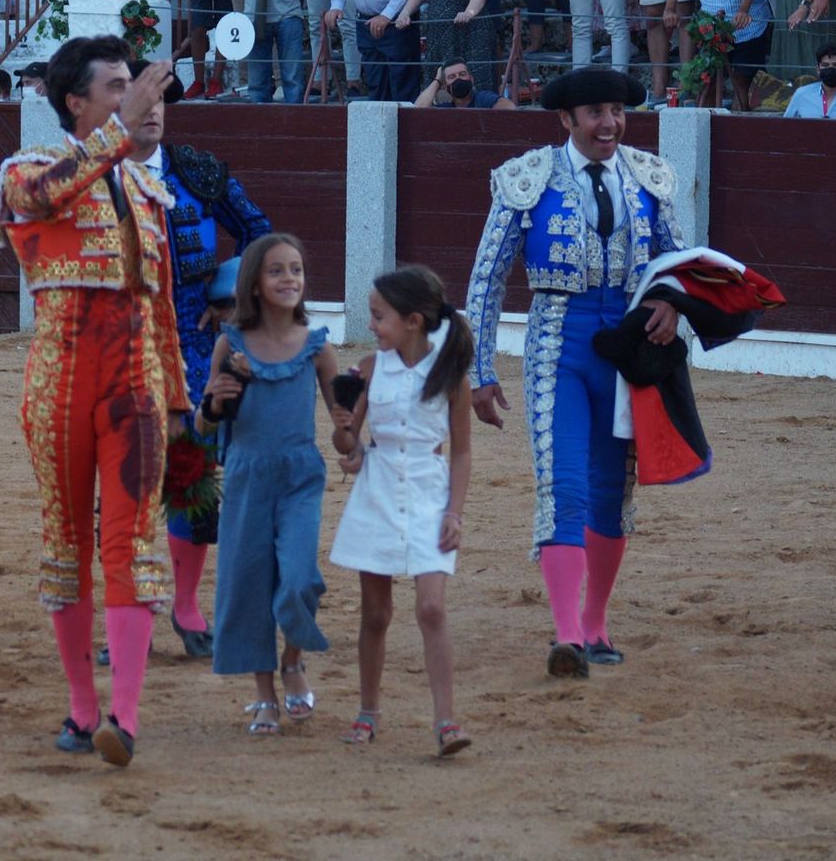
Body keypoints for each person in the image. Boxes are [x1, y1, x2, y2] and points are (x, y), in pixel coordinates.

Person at [0, 40, 187, 767]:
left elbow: (161, 308)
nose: (134, 98)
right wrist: (119, 134)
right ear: (75, 101)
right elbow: (43, 199)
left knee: (131, 544)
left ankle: (122, 719)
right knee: (67, 541)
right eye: (115, 88)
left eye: (135, 86)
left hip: (135, 386)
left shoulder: (148, 193)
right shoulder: (26, 169)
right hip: (61, 384)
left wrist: (178, 403)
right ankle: (80, 709)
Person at [465, 67, 685, 679]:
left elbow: (677, 264)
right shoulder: (527, 179)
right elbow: (486, 280)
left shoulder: (649, 176)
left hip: (626, 352)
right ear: (567, 119)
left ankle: (594, 623)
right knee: (564, 485)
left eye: (617, 111)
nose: (609, 124)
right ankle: (566, 635)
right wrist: (479, 370)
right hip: (558, 347)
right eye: (596, 113)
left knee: (612, 491)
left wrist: (672, 303)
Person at [114, 55, 271, 663]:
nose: (154, 110)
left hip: (194, 349)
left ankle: (184, 605)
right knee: (123, 483)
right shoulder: (96, 180)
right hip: (118, 347)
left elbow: (259, 233)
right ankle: (127, 610)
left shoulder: (198, 173)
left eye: (161, 100)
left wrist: (232, 300)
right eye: (142, 97)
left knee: (191, 475)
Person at [329, 266, 474, 756]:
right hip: (377, 491)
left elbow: (461, 452)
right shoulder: (370, 368)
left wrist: (455, 512)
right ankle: (368, 711)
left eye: (378, 316)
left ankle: (446, 720)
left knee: (432, 608)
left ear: (413, 320)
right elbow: (348, 444)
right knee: (376, 613)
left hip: (430, 494)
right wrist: (345, 433)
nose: (371, 325)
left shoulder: (451, 374)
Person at [197, 232, 337, 736]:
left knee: (299, 577)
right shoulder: (230, 344)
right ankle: (263, 695)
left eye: (296, 269)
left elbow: (342, 424)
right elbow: (204, 425)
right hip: (246, 474)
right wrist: (214, 402)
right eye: (276, 270)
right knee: (249, 582)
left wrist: (355, 435)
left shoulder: (318, 347)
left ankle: (293, 659)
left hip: (300, 475)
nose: (289, 279)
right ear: (254, 283)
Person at [414, 56, 517, 108]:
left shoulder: (483, 98)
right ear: (445, 86)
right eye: (452, 77)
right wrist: (437, 80)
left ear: (471, 79)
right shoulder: (446, 109)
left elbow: (509, 106)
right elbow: (418, 109)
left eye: (462, 74)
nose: (458, 79)